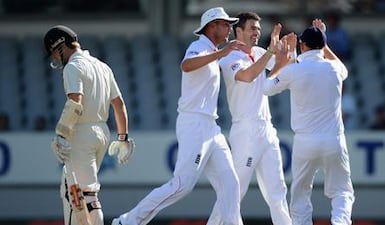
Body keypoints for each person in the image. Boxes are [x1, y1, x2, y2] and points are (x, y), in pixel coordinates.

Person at [111, 7, 245, 225]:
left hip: (211, 126)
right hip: (194, 123)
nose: (229, 28)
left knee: (231, 185)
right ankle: (127, 221)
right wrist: (222, 53)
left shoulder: (209, 48)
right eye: (225, 24)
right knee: (182, 185)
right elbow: (186, 65)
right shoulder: (198, 46)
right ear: (212, 26)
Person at [263, 19, 355, 225]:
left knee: (300, 194)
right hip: (334, 140)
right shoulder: (335, 69)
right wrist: (324, 44)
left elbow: (266, 89)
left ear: (302, 45)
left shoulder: (293, 70)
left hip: (305, 142)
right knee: (342, 191)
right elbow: (344, 70)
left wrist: (279, 64)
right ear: (322, 46)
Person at [44, 25, 134, 225]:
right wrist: (123, 138)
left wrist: (61, 133)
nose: (55, 59)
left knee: (80, 194)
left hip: (81, 132)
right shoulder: (102, 66)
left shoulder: (73, 67)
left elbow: (75, 102)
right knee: (81, 191)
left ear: (60, 46)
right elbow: (119, 105)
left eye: (53, 53)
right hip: (102, 132)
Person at [214, 12, 293, 225]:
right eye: (252, 28)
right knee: (235, 191)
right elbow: (247, 77)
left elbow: (274, 73)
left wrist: (284, 57)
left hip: (267, 129)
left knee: (278, 193)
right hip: (246, 131)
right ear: (238, 30)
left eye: (258, 29)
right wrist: (270, 52)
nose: (257, 33)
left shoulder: (258, 52)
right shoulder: (229, 56)